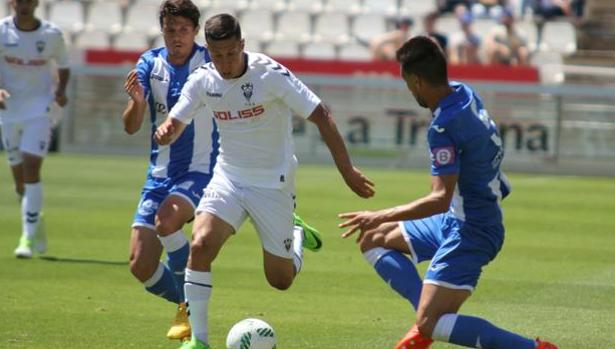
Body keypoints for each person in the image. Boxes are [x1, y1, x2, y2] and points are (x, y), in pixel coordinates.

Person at [155, 13, 375, 349]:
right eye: (217, 56)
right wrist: (168, 131)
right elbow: (178, 118)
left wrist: (347, 171)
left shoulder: (269, 75)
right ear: (209, 52)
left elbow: (321, 115)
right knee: (199, 247)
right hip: (228, 178)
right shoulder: (203, 79)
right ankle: (198, 340)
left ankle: (296, 232)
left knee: (280, 280)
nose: (225, 63)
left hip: (273, 184)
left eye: (231, 53)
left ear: (242, 45)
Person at [338, 36, 558, 349]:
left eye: (407, 83)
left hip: (472, 230)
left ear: (416, 81)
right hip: (457, 218)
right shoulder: (465, 93)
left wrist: (378, 213)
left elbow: (438, 198)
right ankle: (427, 316)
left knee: (431, 323)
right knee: (374, 238)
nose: (409, 91)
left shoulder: (443, 126)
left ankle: (530, 348)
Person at [122, 0, 213, 340]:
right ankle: (187, 301)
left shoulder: (209, 62)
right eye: (170, 30)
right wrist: (138, 103)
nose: (177, 37)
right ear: (163, 31)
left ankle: (191, 314)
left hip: (201, 169)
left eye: (184, 31)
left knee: (167, 221)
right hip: (158, 174)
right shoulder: (149, 63)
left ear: (195, 31)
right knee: (140, 265)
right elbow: (131, 126)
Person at [0, 0, 70, 259]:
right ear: (12, 3)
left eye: (29, 0)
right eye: (20, 1)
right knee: (19, 181)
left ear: (37, 3)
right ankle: (35, 222)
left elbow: (63, 66)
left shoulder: (51, 34)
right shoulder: (2, 31)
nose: (24, 5)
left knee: (31, 168)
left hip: (40, 110)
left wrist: (61, 92)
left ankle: (26, 238)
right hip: (8, 111)